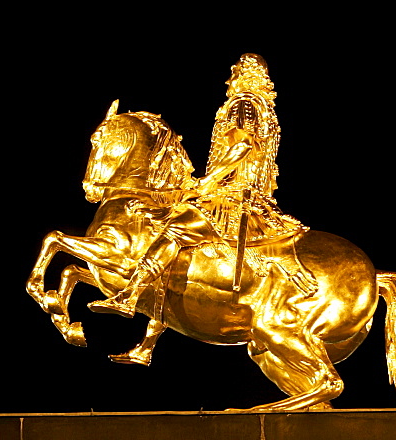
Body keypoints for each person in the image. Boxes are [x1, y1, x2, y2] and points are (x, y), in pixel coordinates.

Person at [89, 53, 314, 321]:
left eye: (235, 71)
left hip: (231, 198)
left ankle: (130, 296)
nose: (231, 76)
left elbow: (242, 146)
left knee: (175, 229)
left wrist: (207, 182)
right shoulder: (266, 110)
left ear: (243, 74)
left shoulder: (243, 103)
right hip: (257, 199)